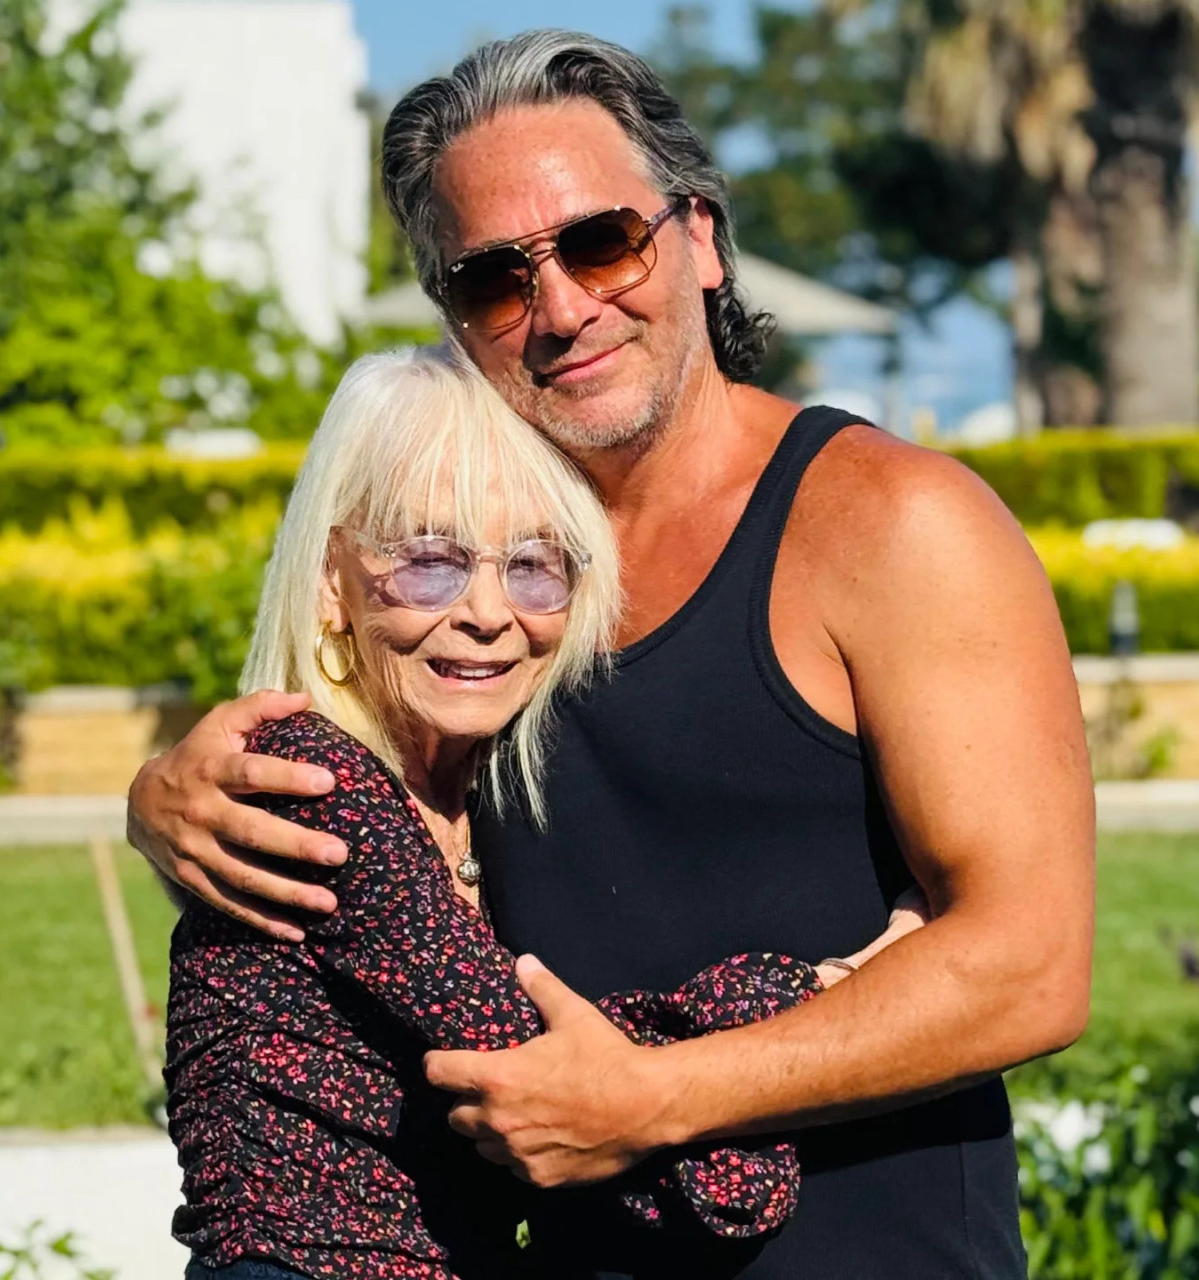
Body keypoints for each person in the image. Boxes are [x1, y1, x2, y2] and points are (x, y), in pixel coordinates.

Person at [129, 30, 1095, 1279]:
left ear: (699, 238)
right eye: (493, 277)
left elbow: (1031, 964)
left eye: (600, 241)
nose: (561, 308)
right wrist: (162, 794)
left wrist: (654, 1098)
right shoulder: (495, 568)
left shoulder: (892, 523)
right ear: (452, 316)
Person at [167, 345, 927, 1280]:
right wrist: (828, 983)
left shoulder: (483, 803)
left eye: (534, 564)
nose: (489, 613)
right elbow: (680, 1162)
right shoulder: (312, 787)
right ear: (332, 581)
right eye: (430, 562)